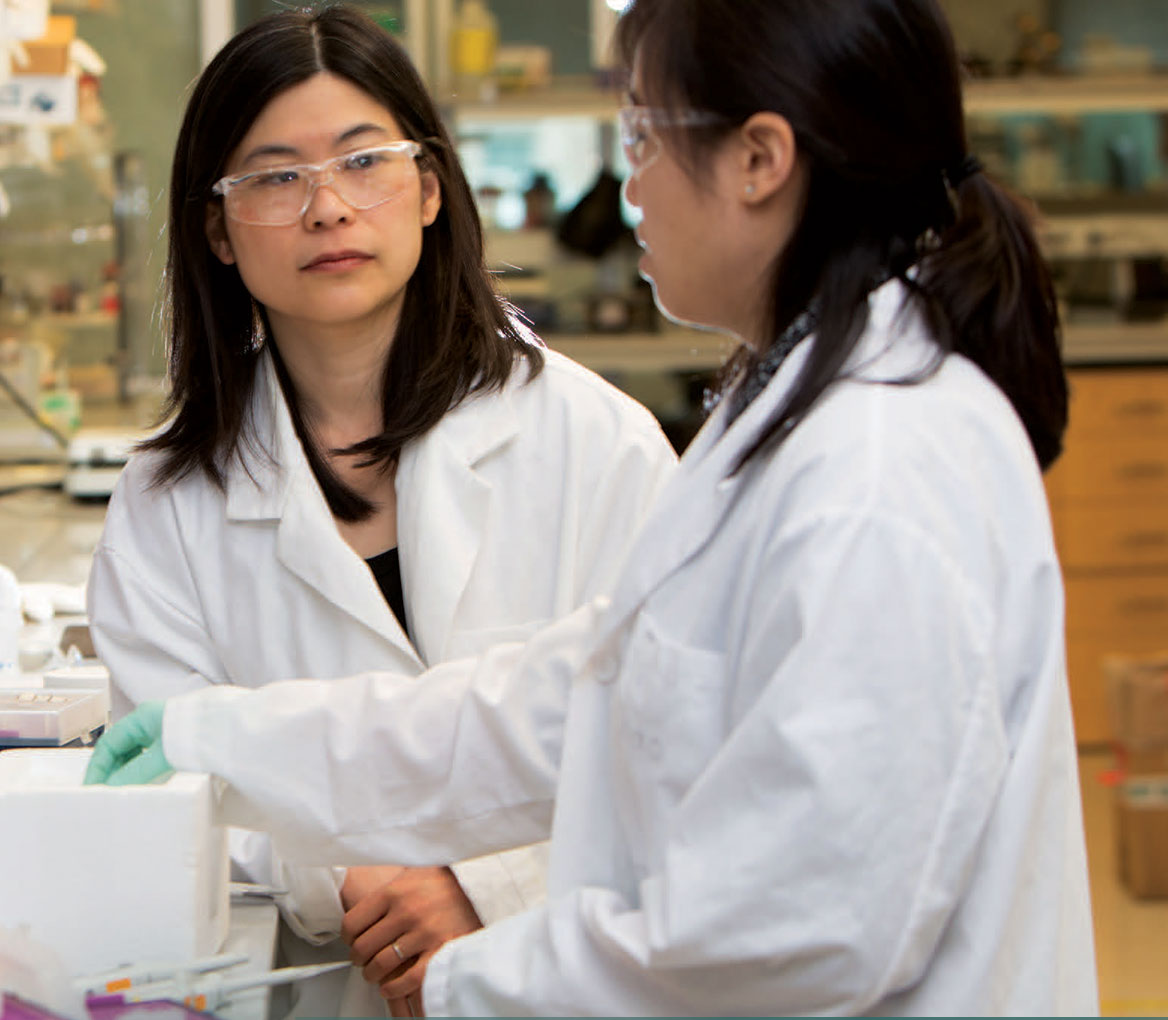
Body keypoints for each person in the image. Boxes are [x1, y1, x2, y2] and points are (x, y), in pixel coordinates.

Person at [86, 0, 1098, 1014]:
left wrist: (470, 975)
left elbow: (809, 925)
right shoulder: (797, 417)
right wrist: (230, 742)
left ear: (760, 160)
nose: (626, 185)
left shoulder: (877, 468)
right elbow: (586, 702)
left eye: (643, 136)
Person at [85, 7, 676, 1017]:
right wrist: (357, 875)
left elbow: (666, 749)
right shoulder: (165, 506)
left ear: (433, 188)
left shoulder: (598, 443)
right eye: (275, 176)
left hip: (562, 976)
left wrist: (482, 889)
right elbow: (168, 791)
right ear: (216, 230)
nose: (327, 208)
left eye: (365, 162)